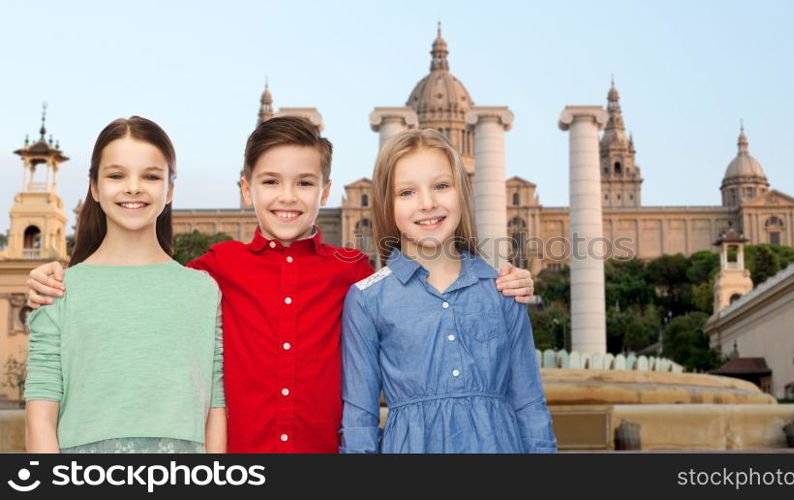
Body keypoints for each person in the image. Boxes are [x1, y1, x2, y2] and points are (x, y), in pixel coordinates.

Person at [25, 116, 535, 453]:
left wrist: (502, 280)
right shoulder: (210, 272)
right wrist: (52, 277)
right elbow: (139, 285)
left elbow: (429, 293)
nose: (287, 197)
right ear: (246, 187)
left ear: (325, 190)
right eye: (270, 182)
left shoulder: (358, 273)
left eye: (305, 183)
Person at [340, 129, 556, 453]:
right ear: (388, 204)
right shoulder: (367, 299)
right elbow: (359, 419)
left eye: (441, 186)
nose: (427, 203)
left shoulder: (503, 289)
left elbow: (529, 404)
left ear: (462, 193)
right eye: (407, 192)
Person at [24, 116, 226, 453]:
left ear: (170, 190)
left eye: (150, 176)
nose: (133, 187)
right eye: (117, 175)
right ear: (94, 188)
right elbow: (40, 417)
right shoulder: (58, 289)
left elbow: (215, 407)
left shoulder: (202, 291)